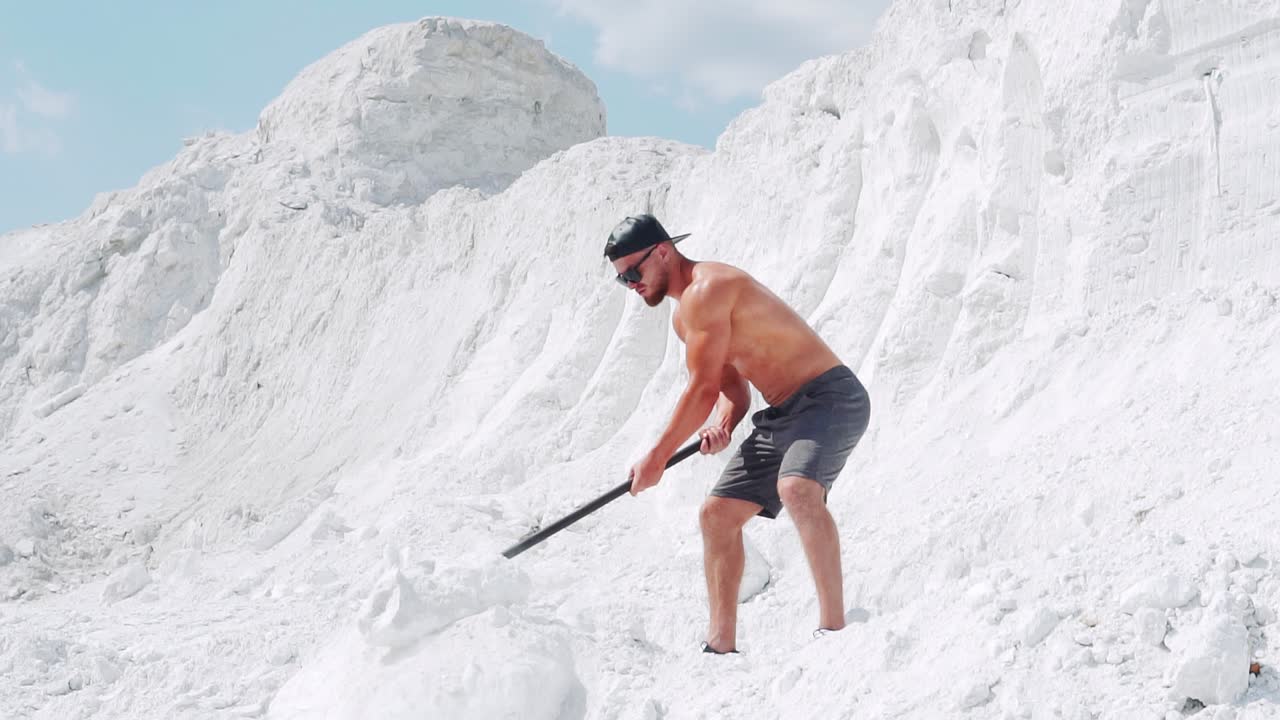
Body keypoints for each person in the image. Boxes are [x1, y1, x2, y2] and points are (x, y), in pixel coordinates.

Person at [604, 213, 872, 654]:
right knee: (716, 515)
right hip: (783, 413)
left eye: (634, 271)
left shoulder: (708, 289)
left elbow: (702, 388)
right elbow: (732, 391)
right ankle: (720, 646)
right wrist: (724, 425)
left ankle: (835, 634)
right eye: (622, 280)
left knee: (797, 488)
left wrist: (656, 458)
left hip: (829, 397)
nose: (631, 284)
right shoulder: (683, 319)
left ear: (664, 252)